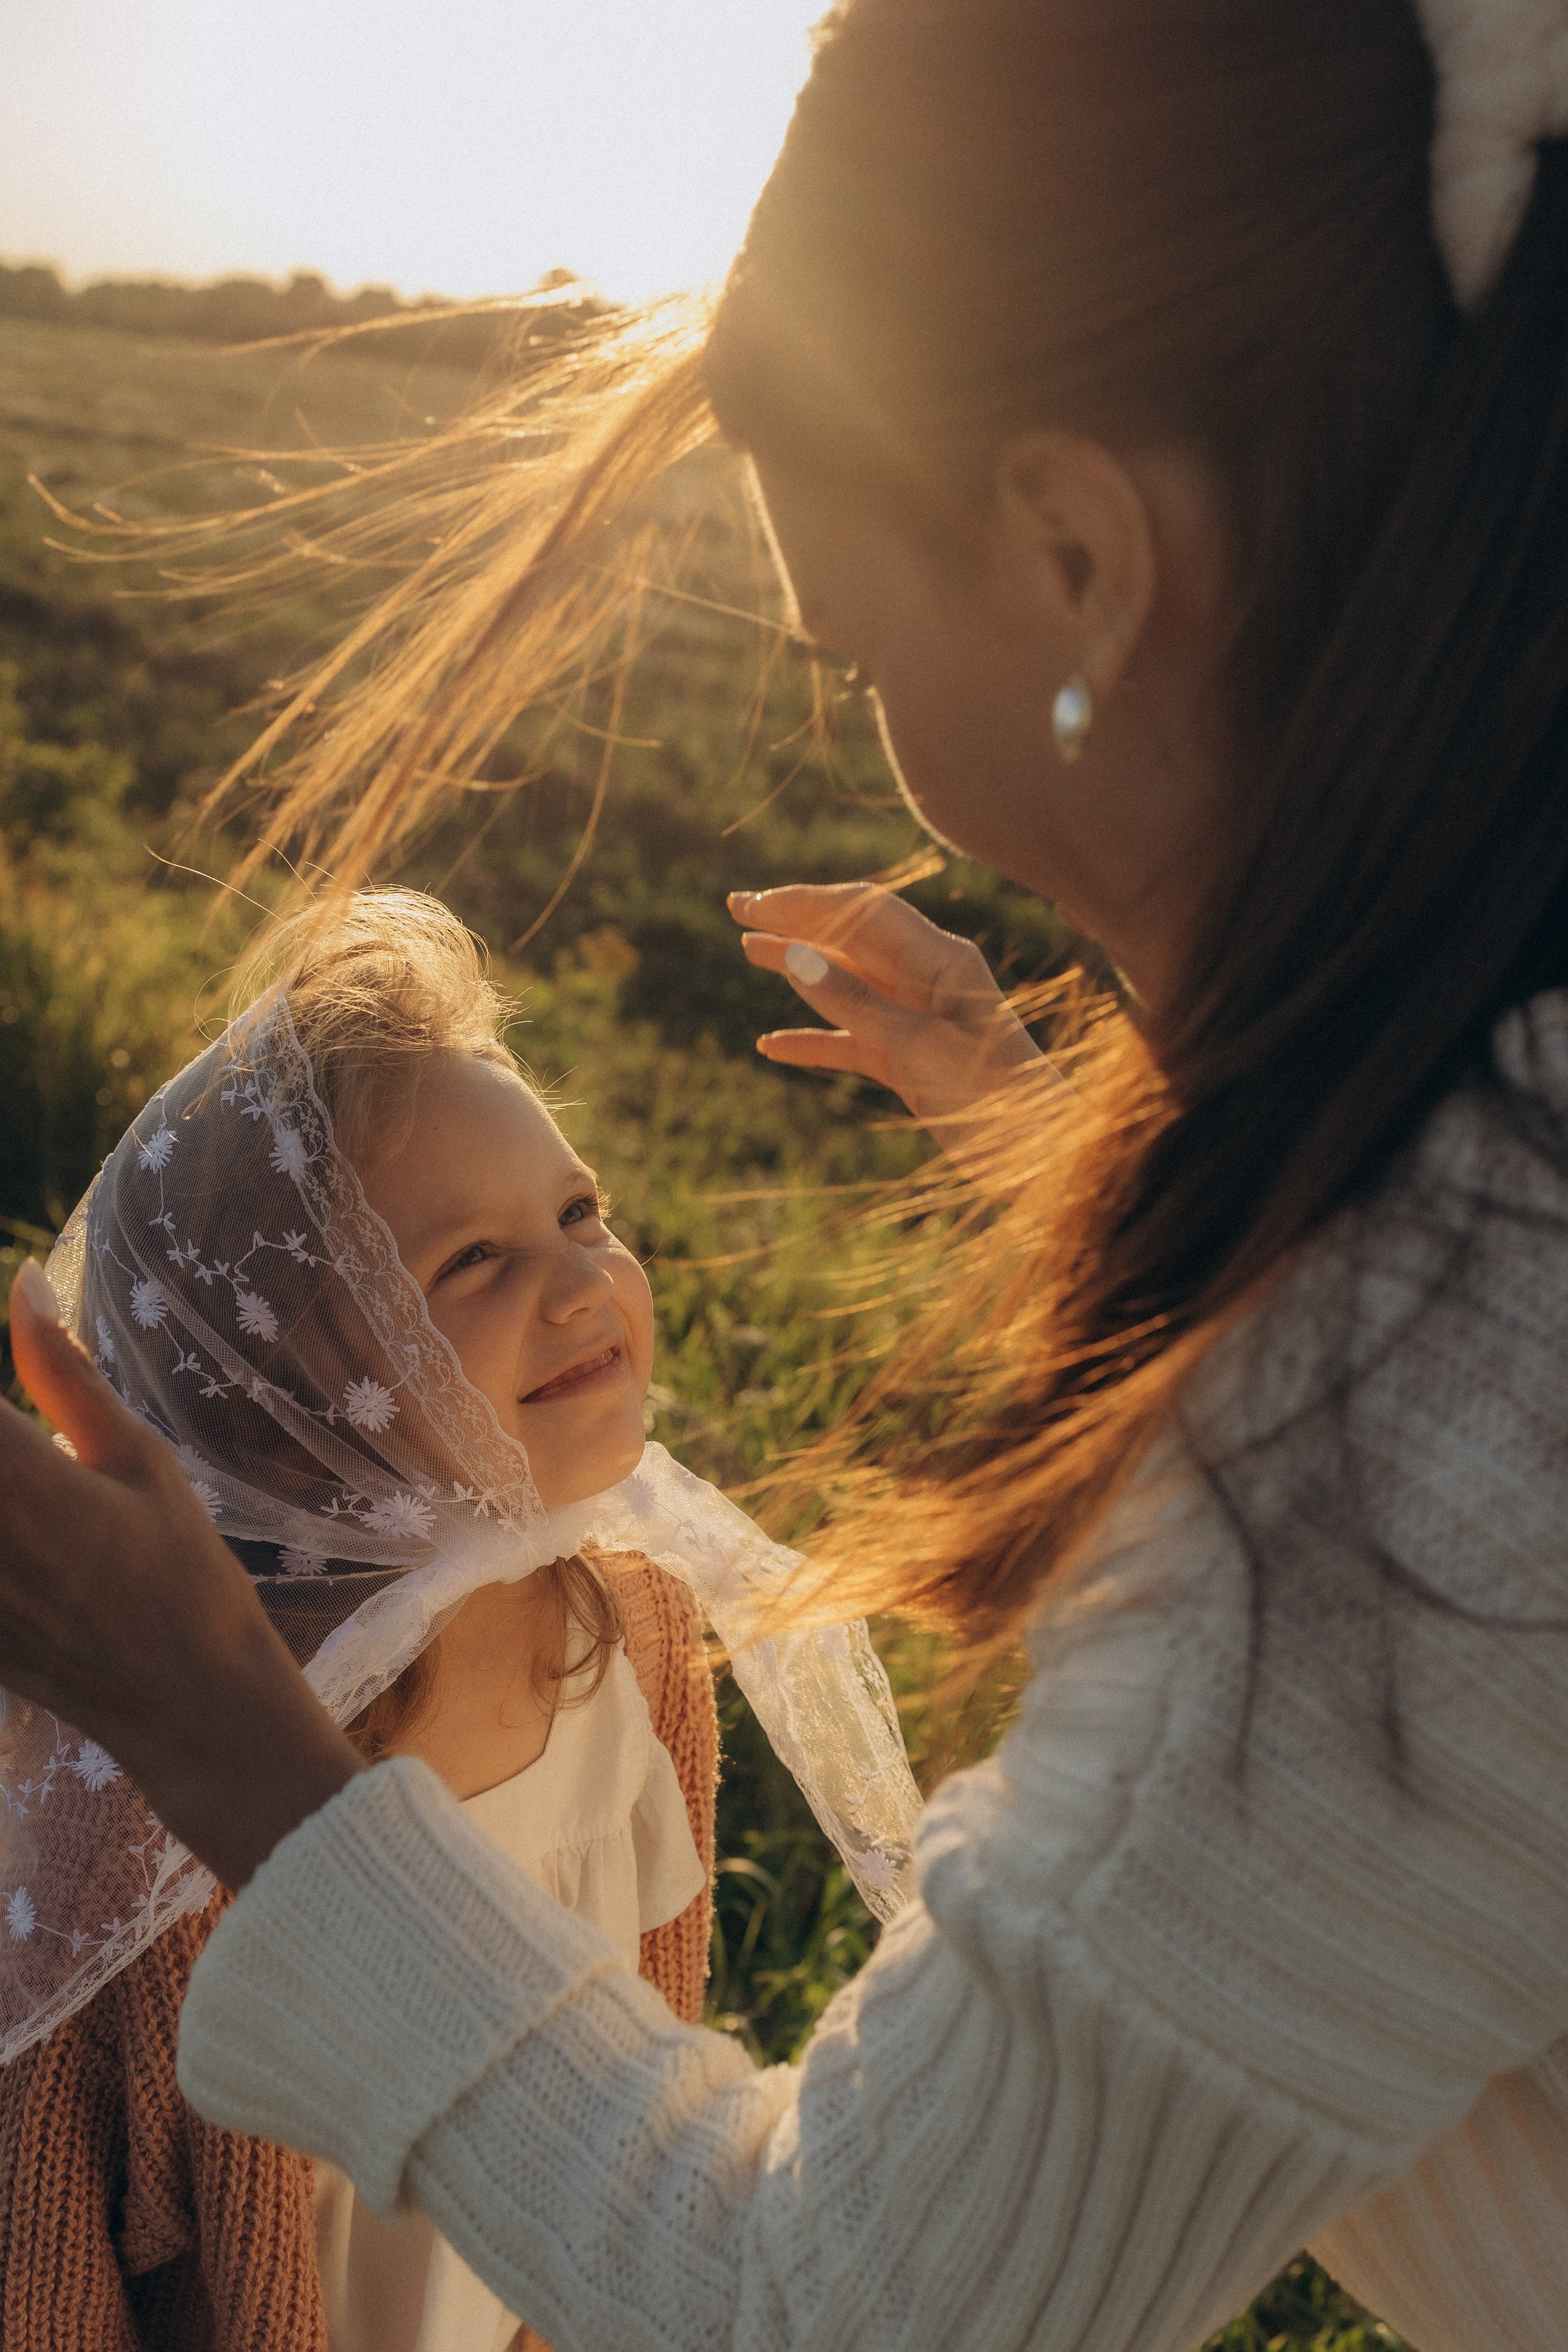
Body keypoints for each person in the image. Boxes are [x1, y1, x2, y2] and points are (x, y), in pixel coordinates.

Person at [4, 0, 1568, 2345]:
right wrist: (1048, 1130)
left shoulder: (1393, 1466)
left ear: (1074, 552)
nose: (887, 740)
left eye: (845, 662)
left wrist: (214, 1728)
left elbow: (823, 2304)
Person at [0, 891, 917, 2351]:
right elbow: (43, 2268)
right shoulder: (146, 1832)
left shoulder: (631, 1629)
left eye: (579, 1213)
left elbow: (646, 2051)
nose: (581, 1284)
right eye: (469, 1263)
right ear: (283, 1400)